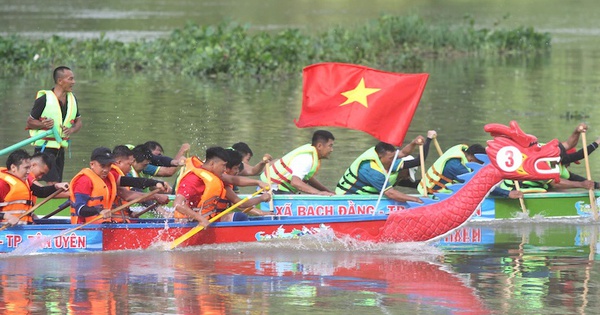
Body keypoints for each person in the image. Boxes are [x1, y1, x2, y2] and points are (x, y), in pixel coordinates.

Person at [70, 147, 168, 224]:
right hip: (85, 228)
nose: (106, 170)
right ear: (92, 164)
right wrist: (99, 211)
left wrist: (155, 183)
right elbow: (79, 209)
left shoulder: (109, 177)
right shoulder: (84, 181)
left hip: (104, 224)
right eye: (102, 166)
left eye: (109, 166)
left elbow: (132, 181)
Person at [26, 66, 82, 184]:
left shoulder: (72, 99)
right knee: (53, 183)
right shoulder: (44, 99)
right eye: (70, 79)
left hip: (60, 147)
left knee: (57, 182)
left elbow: (78, 122)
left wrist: (71, 130)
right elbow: (30, 122)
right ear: (60, 81)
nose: (74, 82)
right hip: (45, 147)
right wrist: (42, 124)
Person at [418, 144, 523, 199]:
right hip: (433, 197)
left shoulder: (463, 153)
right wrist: (507, 193)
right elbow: (478, 185)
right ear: (472, 159)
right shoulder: (456, 166)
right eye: (479, 163)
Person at [336, 141, 423, 203]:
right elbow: (390, 193)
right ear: (380, 156)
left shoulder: (378, 152)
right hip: (347, 200)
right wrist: (416, 200)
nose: (393, 161)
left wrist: (414, 143)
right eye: (391, 159)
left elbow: (403, 153)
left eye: (394, 158)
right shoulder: (372, 170)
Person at [260, 130, 335, 195]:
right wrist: (318, 193)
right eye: (330, 146)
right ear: (319, 146)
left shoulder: (311, 156)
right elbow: (295, 182)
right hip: (271, 189)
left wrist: (327, 191)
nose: (332, 150)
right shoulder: (307, 158)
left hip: (278, 188)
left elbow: (308, 178)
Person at [173, 147, 230, 227]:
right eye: (223, 166)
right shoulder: (193, 179)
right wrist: (200, 219)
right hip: (187, 224)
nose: (224, 170)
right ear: (212, 164)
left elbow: (234, 180)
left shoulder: (211, 174)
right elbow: (177, 204)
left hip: (206, 220)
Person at [0, 150, 33, 225]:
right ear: (13, 167)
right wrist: (6, 216)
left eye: (29, 168)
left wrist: (56, 186)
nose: (28, 172)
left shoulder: (26, 182)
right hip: (5, 231)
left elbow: (41, 191)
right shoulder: (3, 185)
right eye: (26, 168)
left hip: (21, 230)